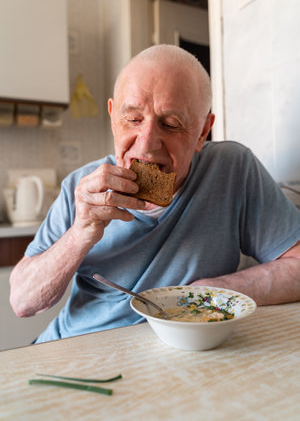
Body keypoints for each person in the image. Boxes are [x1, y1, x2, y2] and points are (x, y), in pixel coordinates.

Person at [10, 44, 300, 344]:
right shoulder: (81, 188)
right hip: (77, 347)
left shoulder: (232, 171)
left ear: (202, 132)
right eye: (133, 119)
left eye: (171, 124)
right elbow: (23, 302)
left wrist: (207, 293)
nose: (147, 144)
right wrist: (80, 234)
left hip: (176, 356)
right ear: (112, 118)